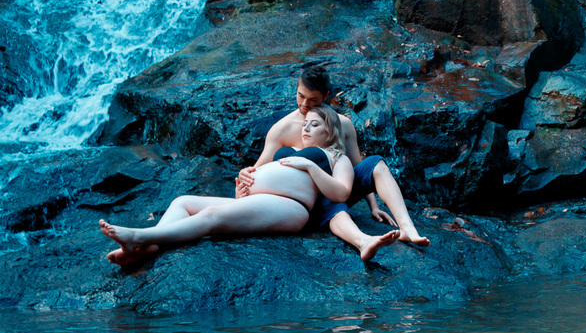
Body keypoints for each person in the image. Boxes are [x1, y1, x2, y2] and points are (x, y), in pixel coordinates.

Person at [100, 105, 392, 266]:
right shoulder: (292, 148)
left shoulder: (335, 156)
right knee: (182, 202)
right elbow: (259, 170)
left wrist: (310, 166)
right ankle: (149, 247)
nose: (305, 127)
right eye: (305, 124)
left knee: (212, 216)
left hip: (291, 206)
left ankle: (140, 236)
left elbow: (340, 193)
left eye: (314, 124)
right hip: (263, 200)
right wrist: (245, 183)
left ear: (330, 131)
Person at [237, 64, 429, 259]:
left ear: (326, 96)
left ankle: (407, 228)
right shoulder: (282, 129)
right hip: (306, 198)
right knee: (331, 202)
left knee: (376, 163)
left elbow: (358, 167)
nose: (304, 104)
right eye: (300, 96)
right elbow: (257, 170)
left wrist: (373, 206)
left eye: (312, 100)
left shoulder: (343, 124)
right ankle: (362, 241)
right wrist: (244, 178)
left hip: (338, 188)